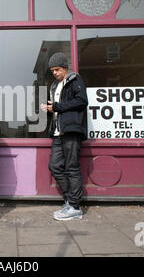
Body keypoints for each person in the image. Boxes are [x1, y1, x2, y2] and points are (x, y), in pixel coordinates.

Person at [40, 52, 88, 221]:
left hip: (71, 131)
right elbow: (57, 108)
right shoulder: (54, 86)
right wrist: (50, 109)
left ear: (65, 67)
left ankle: (75, 207)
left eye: (57, 69)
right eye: (52, 70)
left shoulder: (75, 80)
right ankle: (70, 199)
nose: (54, 73)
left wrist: (58, 106)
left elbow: (82, 101)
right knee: (54, 166)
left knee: (72, 167)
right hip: (58, 133)